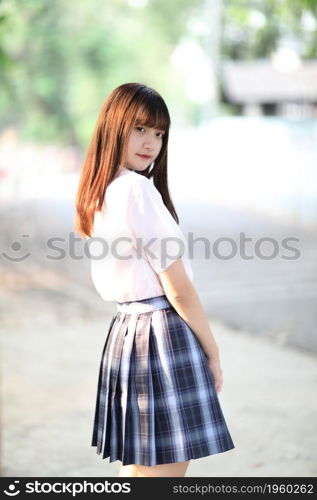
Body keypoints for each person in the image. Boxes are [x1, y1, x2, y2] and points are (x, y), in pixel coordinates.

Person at [74, 82, 235, 478]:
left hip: (127, 333)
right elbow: (177, 287)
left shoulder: (101, 190)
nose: (151, 142)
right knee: (162, 479)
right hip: (161, 335)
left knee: (146, 475)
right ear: (114, 128)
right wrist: (211, 350)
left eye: (159, 133)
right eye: (140, 129)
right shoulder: (136, 190)